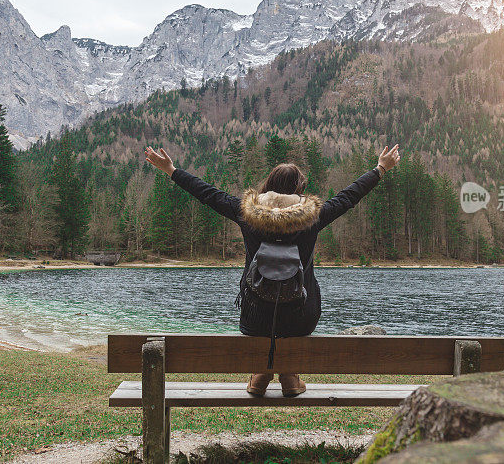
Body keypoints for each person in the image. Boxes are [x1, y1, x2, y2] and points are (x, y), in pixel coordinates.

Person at [144, 143, 401, 396]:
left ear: (267, 185)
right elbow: (349, 196)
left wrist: (171, 170)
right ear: (300, 189)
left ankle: (260, 373)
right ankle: (289, 374)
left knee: (256, 306)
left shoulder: (245, 212)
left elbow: (207, 193)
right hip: (301, 313)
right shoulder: (314, 215)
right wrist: (380, 169)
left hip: (256, 314)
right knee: (305, 296)